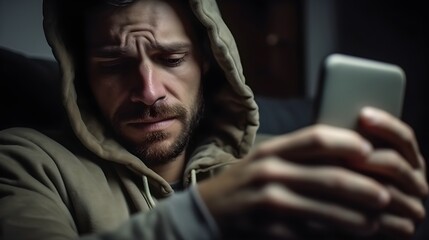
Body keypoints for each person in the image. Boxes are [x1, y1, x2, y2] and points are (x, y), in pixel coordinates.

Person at [0, 0, 427, 239]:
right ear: (82, 75)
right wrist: (205, 214)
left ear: (207, 60)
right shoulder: (25, 161)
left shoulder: (278, 165)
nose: (148, 91)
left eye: (171, 59)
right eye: (113, 65)